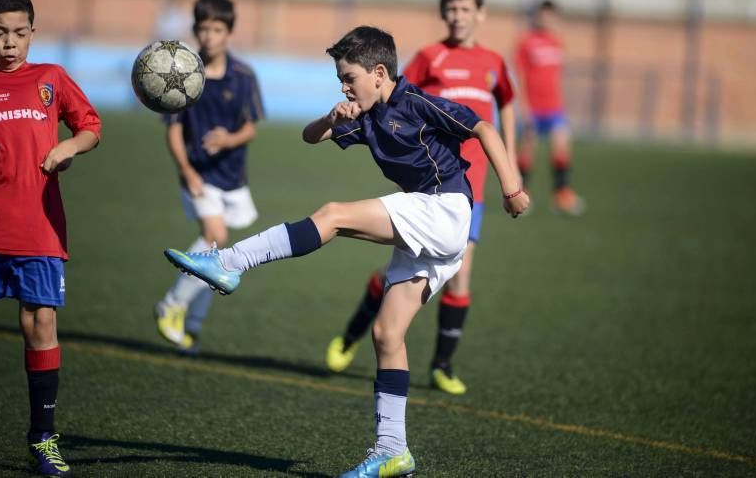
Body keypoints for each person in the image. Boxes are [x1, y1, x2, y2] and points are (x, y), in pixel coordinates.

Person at [163, 25, 528, 477]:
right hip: (431, 231)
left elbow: (485, 128)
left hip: (444, 210)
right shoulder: (364, 113)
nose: (343, 86)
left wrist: (512, 188)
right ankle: (393, 450)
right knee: (386, 336)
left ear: (379, 73)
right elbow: (308, 137)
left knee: (333, 214)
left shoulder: (416, 102)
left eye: (349, 77)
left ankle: (229, 262)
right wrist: (331, 119)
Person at [324, 0, 518, 396]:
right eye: (450, 8)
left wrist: (513, 170)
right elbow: (393, 98)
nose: (457, 16)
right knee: (394, 278)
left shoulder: (494, 62)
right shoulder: (429, 58)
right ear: (442, 12)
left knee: (461, 276)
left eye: (465, 8)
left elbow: (504, 108)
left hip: (471, 187)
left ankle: (442, 365)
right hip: (428, 185)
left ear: (480, 13)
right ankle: (352, 335)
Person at [0, 0, 101, 477]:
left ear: (33, 34)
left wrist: (69, 148)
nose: (10, 44)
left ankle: (42, 439)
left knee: (39, 325)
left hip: (40, 228)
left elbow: (89, 127)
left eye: (20, 33)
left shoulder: (51, 78)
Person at [154, 0, 264, 354]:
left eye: (217, 29)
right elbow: (172, 130)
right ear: (196, 31)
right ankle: (172, 305)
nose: (210, 37)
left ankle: (193, 325)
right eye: (203, 29)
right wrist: (186, 170)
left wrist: (229, 139)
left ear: (228, 32)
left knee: (217, 253)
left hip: (232, 177)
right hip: (198, 173)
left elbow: (251, 128)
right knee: (214, 234)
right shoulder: (183, 74)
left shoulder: (244, 75)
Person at [514, 0, 585, 215]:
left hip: (554, 108)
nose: (547, 19)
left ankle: (562, 194)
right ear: (537, 16)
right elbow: (520, 76)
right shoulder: (526, 42)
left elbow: (556, 77)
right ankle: (520, 194)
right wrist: (523, 107)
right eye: (543, 14)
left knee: (562, 145)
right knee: (527, 150)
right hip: (533, 108)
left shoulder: (557, 42)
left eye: (551, 15)